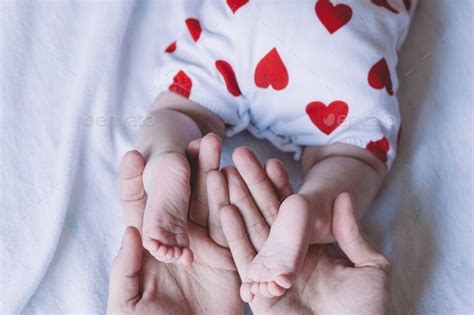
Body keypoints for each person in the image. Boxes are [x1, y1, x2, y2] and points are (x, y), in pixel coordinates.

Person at [133, 0, 415, 298]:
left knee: (179, 112)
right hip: (348, 60)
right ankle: (314, 206)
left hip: (242, 23)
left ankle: (166, 156)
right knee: (353, 156)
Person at [107, 145, 391, 314]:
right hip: (229, 50)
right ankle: (161, 164)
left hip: (234, 65)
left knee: (179, 115)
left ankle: (314, 210)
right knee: (178, 110)